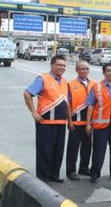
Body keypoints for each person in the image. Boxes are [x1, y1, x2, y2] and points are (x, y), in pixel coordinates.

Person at [23, 55, 69, 184]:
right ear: (52, 65)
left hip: (61, 123)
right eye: (59, 65)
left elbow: (67, 102)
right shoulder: (43, 79)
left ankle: (54, 175)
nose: (62, 67)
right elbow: (27, 94)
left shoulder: (64, 82)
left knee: (58, 151)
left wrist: (69, 121)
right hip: (46, 123)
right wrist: (33, 112)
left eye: (64, 65)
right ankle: (42, 178)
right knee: (45, 151)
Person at [66, 60, 95, 181]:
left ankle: (83, 168)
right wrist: (70, 121)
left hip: (89, 123)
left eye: (87, 69)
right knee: (73, 148)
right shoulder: (71, 84)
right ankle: (71, 171)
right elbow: (67, 104)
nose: (85, 71)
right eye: (82, 69)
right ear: (77, 70)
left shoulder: (94, 84)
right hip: (76, 122)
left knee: (87, 147)